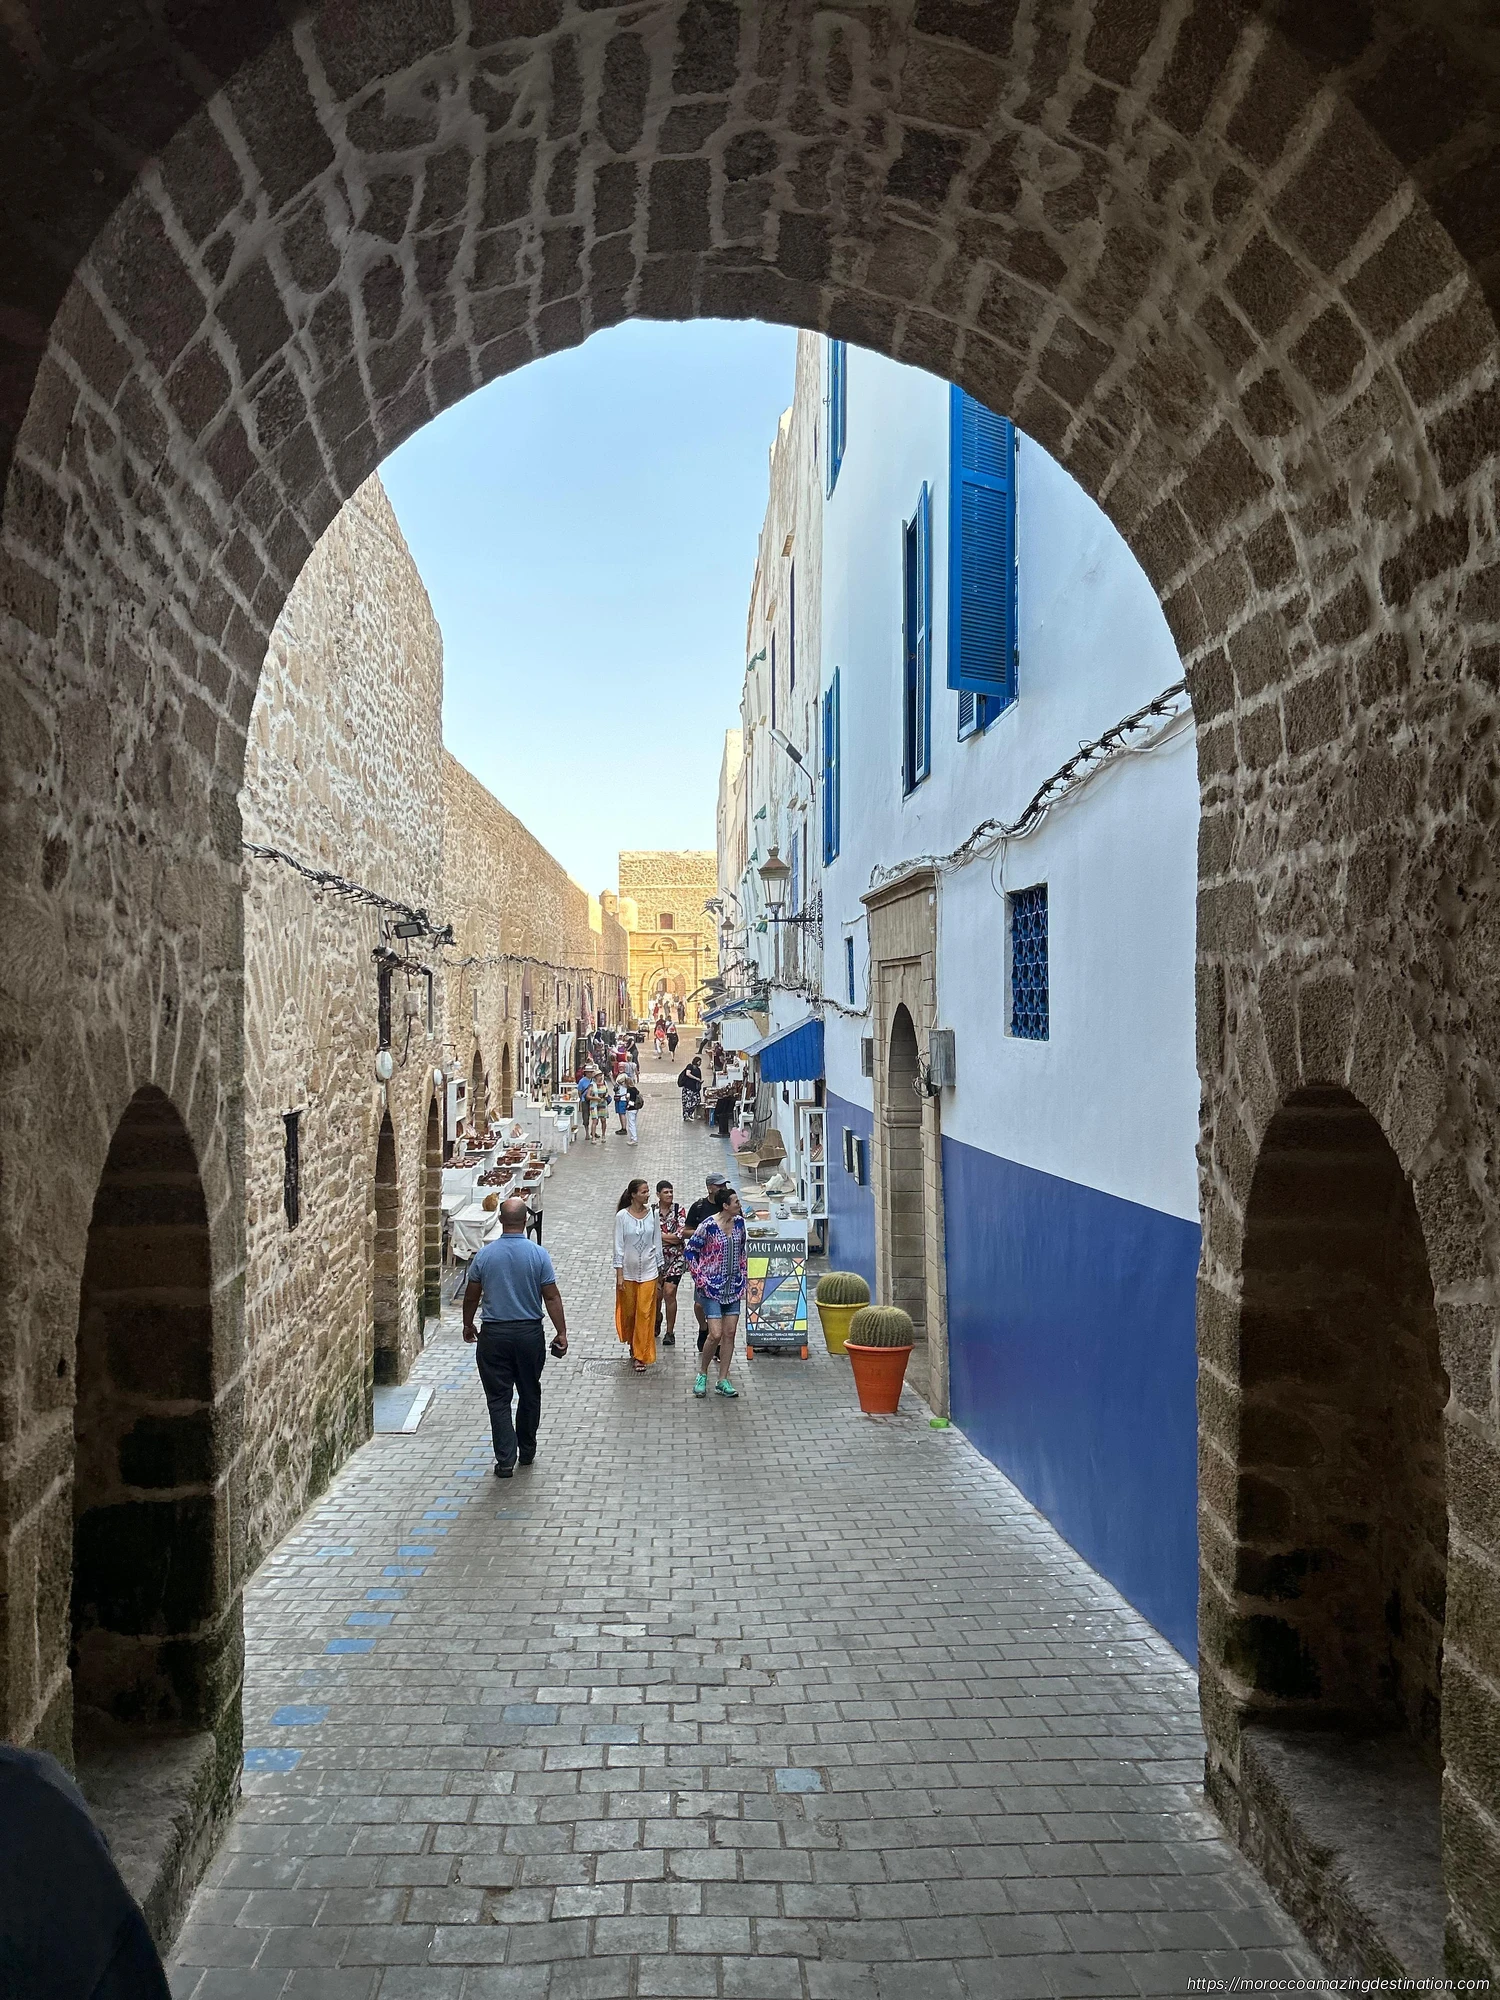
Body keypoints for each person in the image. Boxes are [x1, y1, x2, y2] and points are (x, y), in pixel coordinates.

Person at [463, 1197, 568, 1476]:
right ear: (525, 1221)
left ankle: (505, 1459)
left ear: (500, 1220)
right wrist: (561, 1332)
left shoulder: (485, 1255)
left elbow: (472, 1295)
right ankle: (528, 1450)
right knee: (529, 1392)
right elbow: (551, 1296)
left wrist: (468, 1325)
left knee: (498, 1398)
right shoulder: (538, 1254)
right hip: (528, 1334)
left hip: (494, 1335)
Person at [685, 1185, 747, 1399]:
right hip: (711, 1289)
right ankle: (702, 1373)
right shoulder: (708, 1226)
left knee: (729, 1333)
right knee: (716, 1333)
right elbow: (690, 1251)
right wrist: (699, 1278)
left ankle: (723, 1379)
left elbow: (742, 1250)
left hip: (733, 1287)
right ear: (725, 1206)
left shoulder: (739, 1223)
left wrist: (743, 1274)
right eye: (736, 1202)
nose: (739, 1205)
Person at [614, 1177, 662, 1373]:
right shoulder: (622, 1217)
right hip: (628, 1272)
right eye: (643, 1191)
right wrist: (619, 1274)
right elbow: (618, 1246)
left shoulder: (654, 1214)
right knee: (630, 1312)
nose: (647, 1195)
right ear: (633, 1194)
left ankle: (641, 1355)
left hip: (649, 1271)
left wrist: (660, 1270)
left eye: (648, 1191)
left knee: (645, 1312)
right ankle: (633, 1344)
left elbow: (657, 1241)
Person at [684, 1171, 729, 1352]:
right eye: (719, 1186)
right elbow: (686, 1231)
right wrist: (704, 1235)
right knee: (699, 1304)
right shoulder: (699, 1207)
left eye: (724, 1186)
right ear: (710, 1188)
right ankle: (704, 1328)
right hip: (704, 1265)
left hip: (725, 1266)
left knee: (721, 1306)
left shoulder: (728, 1206)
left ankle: (716, 1342)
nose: (723, 1189)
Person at [653, 1179, 687, 1347]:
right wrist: (670, 1239)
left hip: (676, 1259)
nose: (669, 1195)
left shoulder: (678, 1210)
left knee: (669, 1292)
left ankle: (670, 1331)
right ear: (658, 1194)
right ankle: (657, 1318)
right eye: (666, 1192)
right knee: (657, 1295)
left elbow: (680, 1236)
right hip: (656, 1260)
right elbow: (649, 1237)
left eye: (671, 1192)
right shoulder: (651, 1212)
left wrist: (660, 1237)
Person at [678, 1054, 702, 1121]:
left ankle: (690, 1113)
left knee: (697, 1100)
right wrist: (696, 1078)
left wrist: (699, 1081)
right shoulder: (690, 1066)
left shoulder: (698, 1069)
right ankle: (686, 1115)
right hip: (688, 1088)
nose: (700, 1063)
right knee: (687, 1102)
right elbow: (688, 1073)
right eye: (699, 1062)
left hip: (695, 1088)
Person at [624, 1076, 643, 1145]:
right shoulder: (635, 1089)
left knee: (631, 1124)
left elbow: (630, 1100)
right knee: (633, 1122)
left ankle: (634, 1139)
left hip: (631, 1109)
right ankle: (633, 1138)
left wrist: (627, 1103)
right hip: (636, 1108)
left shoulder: (629, 1090)